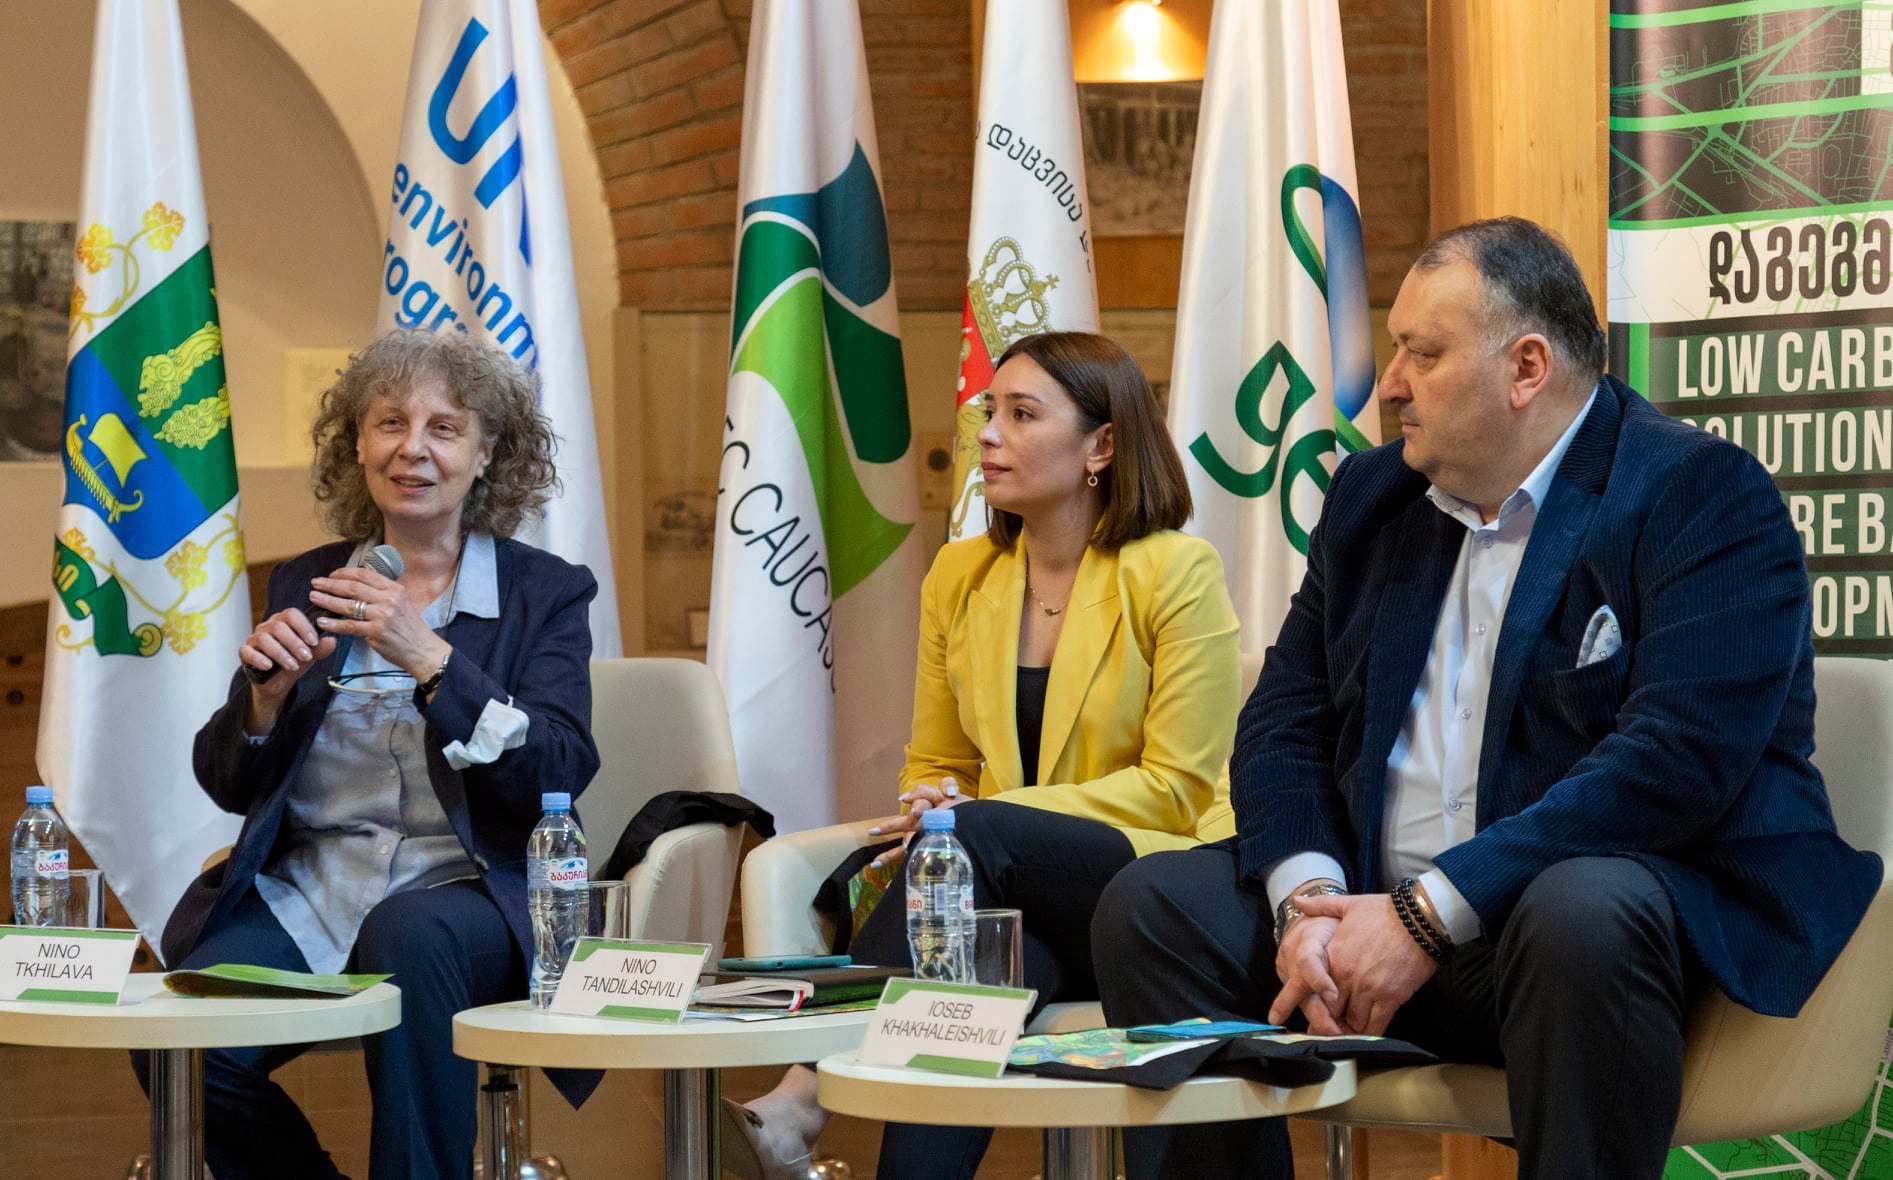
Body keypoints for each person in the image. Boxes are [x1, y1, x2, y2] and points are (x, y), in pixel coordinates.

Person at [1091, 217, 1883, 1179]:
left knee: (1580, 910)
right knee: (1153, 908)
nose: (1389, 383)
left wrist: (1425, 916)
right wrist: (1311, 904)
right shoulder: (1372, 497)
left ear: (1526, 368)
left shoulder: (1697, 492)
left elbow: (1677, 763)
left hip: (1592, 947)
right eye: (1394, 350)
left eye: (1421, 354)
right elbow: (1283, 723)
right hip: (1372, 922)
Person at [721, 331, 1241, 1180]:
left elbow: (1174, 790)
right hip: (1009, 897)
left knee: (967, 847)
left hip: (1155, 877)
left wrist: (976, 818)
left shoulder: (1176, 570)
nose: (988, 434)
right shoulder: (961, 575)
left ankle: (802, 1091)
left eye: (1022, 414)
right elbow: (938, 759)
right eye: (988, 411)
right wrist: (935, 797)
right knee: (972, 978)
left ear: (1102, 446)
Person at [134, 330, 601, 1179]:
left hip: (468, 897)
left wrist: (429, 657)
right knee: (177, 1046)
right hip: (310, 892)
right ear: (357, 444)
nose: (411, 448)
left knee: (406, 932)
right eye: (390, 423)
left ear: (486, 454)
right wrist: (263, 704)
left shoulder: (545, 591)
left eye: (444, 428)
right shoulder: (307, 580)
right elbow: (229, 783)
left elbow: (560, 768)